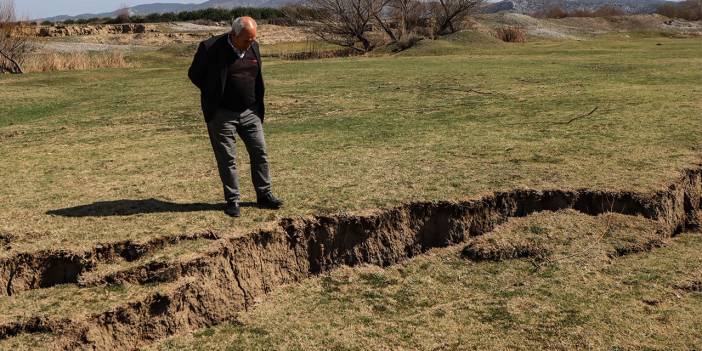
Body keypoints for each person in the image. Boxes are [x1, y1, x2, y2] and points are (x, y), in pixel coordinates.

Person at [188, 16, 282, 217]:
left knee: (260, 153)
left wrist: (256, 106)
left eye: (253, 39)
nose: (251, 43)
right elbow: (194, 74)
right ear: (233, 35)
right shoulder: (210, 47)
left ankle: (264, 195)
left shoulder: (253, 47)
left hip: (250, 112)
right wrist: (213, 93)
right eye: (247, 40)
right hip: (222, 114)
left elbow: (257, 76)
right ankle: (233, 200)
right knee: (227, 159)